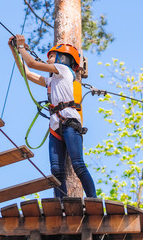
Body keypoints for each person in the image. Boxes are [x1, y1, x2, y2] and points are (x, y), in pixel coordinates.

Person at [8, 34, 97, 199]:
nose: (48, 58)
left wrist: (21, 48)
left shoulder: (64, 71)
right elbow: (26, 72)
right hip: (55, 125)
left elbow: (32, 63)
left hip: (70, 122)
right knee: (56, 170)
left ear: (63, 59)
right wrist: (14, 50)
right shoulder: (51, 81)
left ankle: (93, 198)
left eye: (52, 56)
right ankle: (61, 202)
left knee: (78, 164)